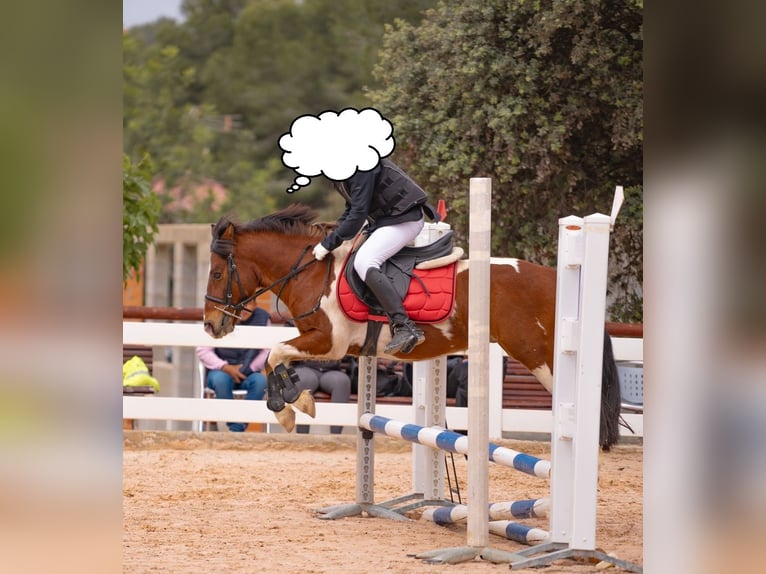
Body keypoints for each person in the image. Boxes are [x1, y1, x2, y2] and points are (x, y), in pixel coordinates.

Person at [311, 158, 437, 355]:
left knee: (365, 262)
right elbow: (350, 209)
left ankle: (404, 325)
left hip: (404, 219)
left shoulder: (362, 164)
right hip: (385, 221)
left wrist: (330, 243)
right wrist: (334, 234)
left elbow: (359, 213)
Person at [195, 304, 271, 432]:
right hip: (221, 370)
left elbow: (267, 350)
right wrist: (225, 367)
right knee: (220, 380)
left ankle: (236, 428)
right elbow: (203, 350)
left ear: (255, 305)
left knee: (261, 382)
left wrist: (250, 368)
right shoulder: (217, 316)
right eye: (242, 304)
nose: (245, 308)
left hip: (249, 372)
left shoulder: (263, 318)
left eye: (249, 304)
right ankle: (236, 426)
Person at [292, 359, 351, 435]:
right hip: (305, 367)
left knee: (342, 382)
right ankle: (302, 438)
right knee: (304, 380)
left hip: (331, 370)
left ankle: (335, 439)